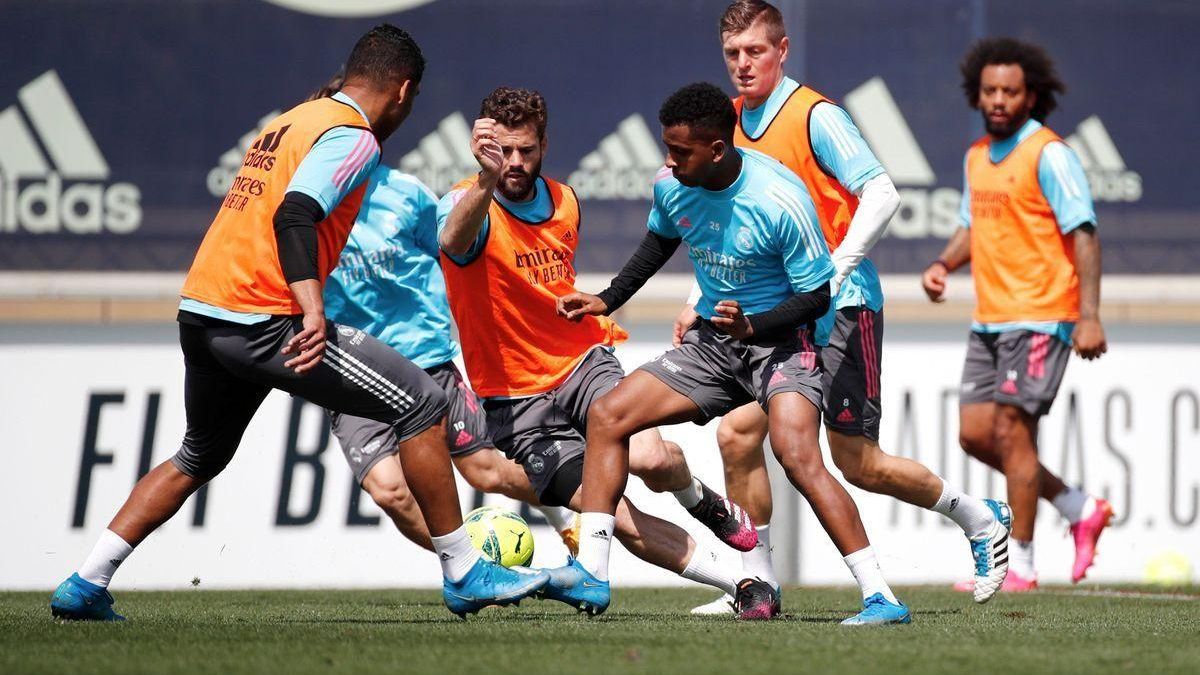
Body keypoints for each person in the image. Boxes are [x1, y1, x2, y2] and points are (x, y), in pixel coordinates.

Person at [50, 25, 548, 622]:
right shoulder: (354, 135)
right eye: (410, 103)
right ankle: (465, 571)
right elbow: (296, 213)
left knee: (199, 453)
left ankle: (86, 581)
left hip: (204, 310)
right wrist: (312, 305)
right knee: (419, 402)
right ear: (403, 91)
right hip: (265, 317)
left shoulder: (290, 122)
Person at [687, 0, 1011, 614]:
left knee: (857, 463)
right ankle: (759, 589)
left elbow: (881, 194)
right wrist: (692, 298)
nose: (743, 64)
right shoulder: (726, 123)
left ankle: (979, 517)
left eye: (755, 51)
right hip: (775, 316)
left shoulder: (816, 116)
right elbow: (717, 224)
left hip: (841, 306)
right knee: (736, 436)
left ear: (782, 51)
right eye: (732, 54)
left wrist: (831, 276)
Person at [555, 82, 910, 624]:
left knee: (798, 457)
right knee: (609, 415)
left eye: (680, 152)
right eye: (667, 149)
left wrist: (755, 325)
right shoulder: (672, 185)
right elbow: (659, 241)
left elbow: (818, 296)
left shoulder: (780, 198)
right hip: (717, 345)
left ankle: (881, 596)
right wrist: (606, 298)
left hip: (783, 344)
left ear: (717, 150)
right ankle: (594, 574)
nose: (668, 162)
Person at [438, 87, 765, 617]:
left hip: (582, 362)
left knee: (654, 458)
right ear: (485, 148)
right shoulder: (464, 201)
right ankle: (742, 585)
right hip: (515, 401)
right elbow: (454, 244)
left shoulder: (565, 200)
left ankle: (698, 498)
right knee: (615, 516)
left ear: (545, 143)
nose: (516, 163)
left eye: (527, 150)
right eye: (506, 152)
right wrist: (486, 178)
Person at [301, 73, 579, 555]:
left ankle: (571, 513)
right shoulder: (304, 205)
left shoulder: (406, 196)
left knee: (487, 471)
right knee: (389, 490)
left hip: (425, 362)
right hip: (350, 368)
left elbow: (459, 254)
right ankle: (472, 567)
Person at [923, 37, 1112, 591]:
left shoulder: (1048, 152)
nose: (999, 99)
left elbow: (1085, 234)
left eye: (1010, 90)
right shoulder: (977, 156)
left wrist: (1090, 316)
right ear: (976, 96)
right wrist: (943, 263)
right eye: (990, 91)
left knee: (1012, 431)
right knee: (975, 434)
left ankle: (1022, 566)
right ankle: (1078, 507)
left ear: (1031, 96)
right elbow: (972, 227)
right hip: (990, 318)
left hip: (1042, 312)